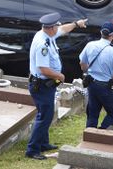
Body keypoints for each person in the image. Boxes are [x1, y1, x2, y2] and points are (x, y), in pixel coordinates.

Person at [25, 12, 87, 160]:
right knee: (44, 117)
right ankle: (32, 150)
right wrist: (59, 76)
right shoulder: (42, 44)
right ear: (51, 28)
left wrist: (77, 24)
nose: (58, 28)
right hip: (41, 85)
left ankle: (43, 143)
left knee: (47, 113)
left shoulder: (46, 34)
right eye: (56, 26)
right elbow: (43, 69)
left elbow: (63, 29)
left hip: (46, 85)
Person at [79, 22, 113, 129]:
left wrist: (88, 71)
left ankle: (90, 137)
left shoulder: (90, 45)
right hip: (106, 86)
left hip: (92, 84)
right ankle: (102, 131)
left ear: (101, 33)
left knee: (92, 114)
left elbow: (82, 63)